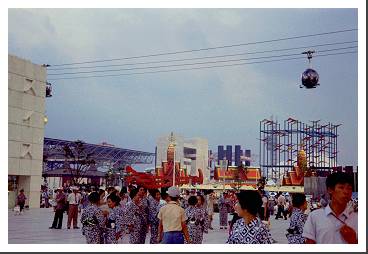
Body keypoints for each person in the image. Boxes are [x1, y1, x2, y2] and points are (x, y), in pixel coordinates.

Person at [303, 172, 358, 244]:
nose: (346, 192)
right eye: (341, 187)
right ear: (330, 190)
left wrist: (353, 240)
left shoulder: (357, 219)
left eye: (349, 188)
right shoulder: (315, 216)